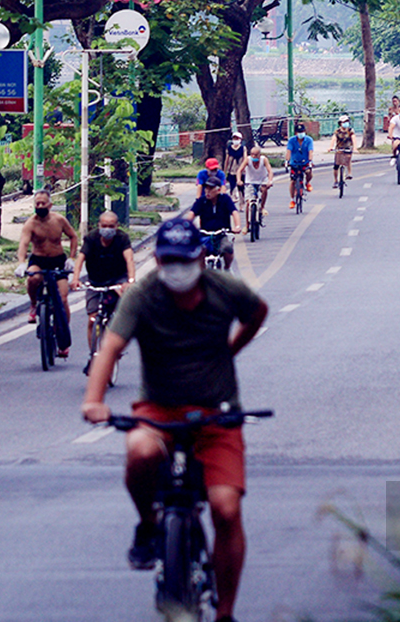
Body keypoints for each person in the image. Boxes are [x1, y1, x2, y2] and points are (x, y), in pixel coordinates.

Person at [81, 217, 269, 622]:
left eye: (183, 260)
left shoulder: (223, 289)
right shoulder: (145, 294)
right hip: (160, 408)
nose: (176, 269)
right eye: (168, 261)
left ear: (200, 258)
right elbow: (110, 348)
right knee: (141, 451)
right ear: (158, 261)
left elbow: (258, 312)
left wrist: (231, 349)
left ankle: (226, 613)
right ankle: (149, 524)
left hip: (216, 413)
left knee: (225, 508)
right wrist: (94, 401)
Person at [71, 211, 135, 373]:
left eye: (111, 226)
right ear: (99, 226)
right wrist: (75, 278)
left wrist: (130, 281)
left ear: (117, 226)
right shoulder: (91, 238)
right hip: (96, 282)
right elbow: (80, 259)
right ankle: (93, 355)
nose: (107, 229)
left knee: (120, 311)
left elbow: (129, 260)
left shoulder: (122, 238)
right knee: (92, 319)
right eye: (104, 226)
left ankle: (117, 343)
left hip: (117, 280)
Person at [15, 191, 78, 356]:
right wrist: (21, 263)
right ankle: (34, 305)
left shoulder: (59, 220)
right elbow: (23, 244)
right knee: (33, 278)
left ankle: (63, 339)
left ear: (50, 205)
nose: (40, 206)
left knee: (63, 298)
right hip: (38, 260)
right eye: (37, 204)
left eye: (43, 203)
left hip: (57, 261)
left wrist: (71, 257)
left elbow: (73, 236)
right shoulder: (30, 224)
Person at [183, 176, 241, 271]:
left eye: (211, 188)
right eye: (206, 188)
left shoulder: (225, 199)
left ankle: (227, 268)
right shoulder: (201, 201)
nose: (207, 191)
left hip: (222, 233)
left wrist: (237, 226)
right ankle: (202, 273)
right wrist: (185, 227)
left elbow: (234, 212)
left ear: (218, 190)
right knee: (198, 251)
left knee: (227, 248)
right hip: (204, 234)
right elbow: (192, 214)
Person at [237, 145, 274, 231]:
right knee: (248, 203)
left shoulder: (264, 160)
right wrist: (239, 180)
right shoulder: (248, 160)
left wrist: (270, 181)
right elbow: (239, 170)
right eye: (252, 154)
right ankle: (247, 225)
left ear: (259, 155)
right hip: (250, 181)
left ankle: (262, 207)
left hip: (262, 180)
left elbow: (270, 171)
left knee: (264, 189)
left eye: (256, 155)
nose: (253, 156)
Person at [285, 122, 314, 207]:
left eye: (302, 131)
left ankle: (307, 183)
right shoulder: (291, 140)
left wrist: (310, 161)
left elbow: (310, 151)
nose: (301, 133)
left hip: (305, 162)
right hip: (294, 163)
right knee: (293, 181)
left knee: (308, 172)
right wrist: (287, 161)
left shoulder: (309, 140)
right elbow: (288, 151)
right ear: (295, 133)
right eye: (299, 132)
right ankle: (292, 200)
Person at [328, 115, 356, 187]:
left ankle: (349, 173)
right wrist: (331, 147)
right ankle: (335, 181)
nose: (345, 123)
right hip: (339, 148)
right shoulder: (337, 131)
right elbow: (334, 138)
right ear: (340, 123)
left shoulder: (350, 131)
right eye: (344, 122)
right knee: (336, 165)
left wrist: (355, 148)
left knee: (348, 158)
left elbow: (353, 138)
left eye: (347, 121)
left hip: (347, 148)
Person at [223, 132, 247, 201]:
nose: (235, 140)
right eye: (234, 138)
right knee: (232, 185)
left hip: (241, 169)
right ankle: (233, 197)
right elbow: (227, 160)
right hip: (232, 169)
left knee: (241, 187)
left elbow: (245, 158)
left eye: (237, 138)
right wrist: (225, 170)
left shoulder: (243, 148)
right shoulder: (229, 148)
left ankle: (242, 200)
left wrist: (245, 168)